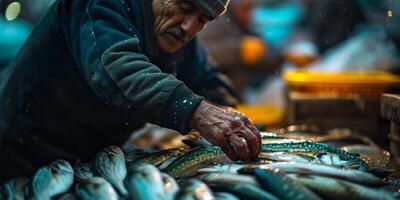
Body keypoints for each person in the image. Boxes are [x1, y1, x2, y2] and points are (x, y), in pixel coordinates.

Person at [0, 0, 261, 182]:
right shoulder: (102, 5)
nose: (188, 28)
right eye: (184, 6)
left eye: (203, 20)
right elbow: (115, 68)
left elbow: (211, 82)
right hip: (24, 156)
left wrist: (227, 119)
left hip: (94, 163)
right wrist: (199, 113)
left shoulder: (176, 34)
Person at [198, 0, 283, 95]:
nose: (249, 14)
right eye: (244, 9)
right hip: (211, 92)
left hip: (235, 92)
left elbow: (263, 57)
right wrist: (239, 49)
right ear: (232, 6)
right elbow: (203, 51)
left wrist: (281, 56)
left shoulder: (245, 27)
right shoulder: (217, 22)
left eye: (252, 8)